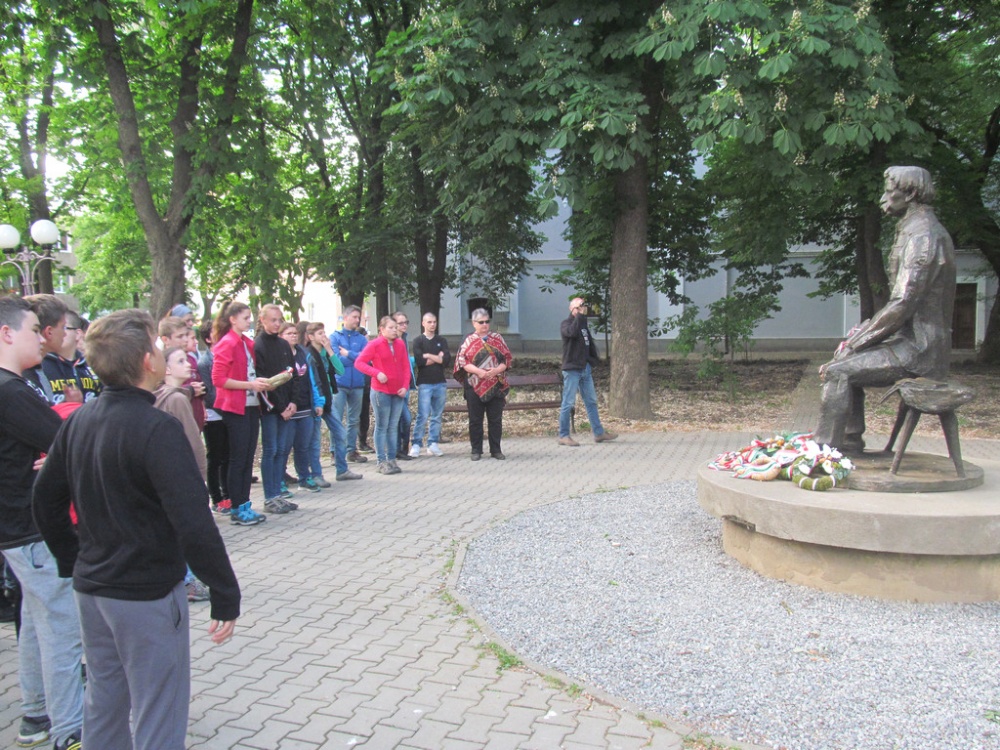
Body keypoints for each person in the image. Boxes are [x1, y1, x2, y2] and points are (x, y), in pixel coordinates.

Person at [32, 308, 240, 750]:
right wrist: (225, 590)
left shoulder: (80, 420)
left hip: (94, 590)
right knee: (158, 708)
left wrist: (73, 560)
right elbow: (193, 520)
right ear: (148, 361)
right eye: (158, 346)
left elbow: (45, 499)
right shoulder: (157, 428)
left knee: (104, 701)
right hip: (145, 593)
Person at [814, 166, 957, 452]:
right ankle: (848, 441)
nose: (883, 199)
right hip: (909, 342)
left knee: (837, 372)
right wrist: (858, 340)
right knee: (843, 362)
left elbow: (903, 303)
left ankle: (824, 453)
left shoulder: (924, 236)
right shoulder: (914, 230)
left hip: (920, 349)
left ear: (911, 194)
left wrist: (856, 343)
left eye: (889, 192)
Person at [0, 295, 85, 750]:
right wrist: (58, 451)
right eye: (34, 330)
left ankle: (35, 714)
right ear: (7, 334)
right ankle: (70, 729)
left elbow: (59, 443)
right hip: (32, 529)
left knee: (36, 623)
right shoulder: (11, 391)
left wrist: (55, 452)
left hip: (18, 530)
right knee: (61, 631)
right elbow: (70, 439)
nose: (42, 337)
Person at [211, 301, 271, 526]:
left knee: (247, 457)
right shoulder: (227, 343)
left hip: (251, 405)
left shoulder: (246, 342)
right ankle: (237, 507)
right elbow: (219, 379)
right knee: (238, 459)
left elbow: (249, 373)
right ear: (232, 319)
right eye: (245, 318)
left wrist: (259, 383)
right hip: (235, 407)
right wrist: (250, 385)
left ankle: (244, 504)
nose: (249, 321)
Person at [354, 316, 411, 475]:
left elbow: (406, 367)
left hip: (398, 391)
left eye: (395, 327)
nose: (394, 330)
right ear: (382, 329)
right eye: (391, 328)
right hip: (381, 391)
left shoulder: (400, 344)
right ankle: (381, 461)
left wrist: (405, 386)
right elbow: (359, 363)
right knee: (382, 426)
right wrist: (376, 373)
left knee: (393, 426)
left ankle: (391, 459)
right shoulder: (375, 344)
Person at [557, 298, 618, 446]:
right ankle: (563, 435)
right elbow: (572, 333)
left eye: (583, 306)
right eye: (579, 306)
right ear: (572, 308)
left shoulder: (583, 325)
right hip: (572, 369)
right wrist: (578, 315)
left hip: (585, 369)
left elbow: (588, 344)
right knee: (568, 402)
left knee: (591, 401)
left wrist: (592, 360)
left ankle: (599, 433)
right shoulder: (566, 324)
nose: (582, 309)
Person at [306, 322, 362, 482]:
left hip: (328, 399)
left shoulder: (325, 353)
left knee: (340, 433)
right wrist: (318, 401)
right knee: (315, 440)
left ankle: (342, 470)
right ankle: (316, 474)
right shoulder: (309, 355)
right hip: (316, 400)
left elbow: (340, 370)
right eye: (320, 334)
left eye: (324, 333)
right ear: (311, 337)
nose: (324, 336)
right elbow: (312, 380)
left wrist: (330, 351)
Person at [454, 308, 513, 461]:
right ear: (474, 323)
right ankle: (476, 450)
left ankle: (496, 450)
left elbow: (507, 359)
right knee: (475, 420)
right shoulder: (468, 340)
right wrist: (479, 372)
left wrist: (496, 370)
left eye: (487, 321)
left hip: (495, 385)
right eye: (481, 322)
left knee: (495, 420)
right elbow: (462, 362)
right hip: (474, 385)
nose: (485, 325)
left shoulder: (497, 338)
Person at [254, 304, 297, 514]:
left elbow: (292, 374)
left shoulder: (283, 344)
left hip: (287, 405)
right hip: (271, 408)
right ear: (262, 320)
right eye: (273, 320)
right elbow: (264, 381)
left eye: (279, 320)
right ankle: (269, 497)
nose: (277, 324)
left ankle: (278, 494)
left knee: (282, 450)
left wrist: (293, 402)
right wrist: (280, 407)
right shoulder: (258, 345)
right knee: (270, 450)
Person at [196, 320, 230, 514]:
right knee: (215, 457)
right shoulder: (205, 362)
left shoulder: (226, 356)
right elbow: (209, 393)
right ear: (208, 339)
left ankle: (228, 495)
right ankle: (217, 498)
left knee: (227, 457)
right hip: (214, 415)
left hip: (228, 413)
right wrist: (225, 407)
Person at [330, 305, 370, 463]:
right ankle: (335, 452)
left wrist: (348, 354)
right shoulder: (335, 337)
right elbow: (336, 360)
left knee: (354, 420)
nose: (357, 320)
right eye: (354, 317)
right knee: (336, 418)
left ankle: (351, 451)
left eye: (358, 317)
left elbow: (366, 359)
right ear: (345, 318)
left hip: (358, 384)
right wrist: (356, 358)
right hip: (340, 383)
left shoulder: (361, 339)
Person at [409, 312, 451, 457]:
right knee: (423, 415)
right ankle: (416, 443)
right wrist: (437, 357)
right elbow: (420, 362)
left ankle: (433, 443)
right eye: (429, 322)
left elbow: (446, 360)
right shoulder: (418, 341)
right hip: (425, 383)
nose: (432, 325)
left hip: (440, 382)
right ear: (423, 323)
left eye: (434, 322)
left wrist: (428, 355)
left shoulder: (442, 340)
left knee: (437, 415)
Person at [23, 293, 70, 404]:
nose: (65, 334)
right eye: (63, 327)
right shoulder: (24, 375)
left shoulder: (36, 368)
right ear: (49, 332)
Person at [392, 311, 416, 460]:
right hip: (395, 386)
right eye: (400, 323)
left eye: (405, 322)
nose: (404, 325)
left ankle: (403, 450)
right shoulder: (392, 341)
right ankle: (397, 449)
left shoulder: (404, 339)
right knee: (403, 418)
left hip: (405, 385)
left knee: (403, 418)